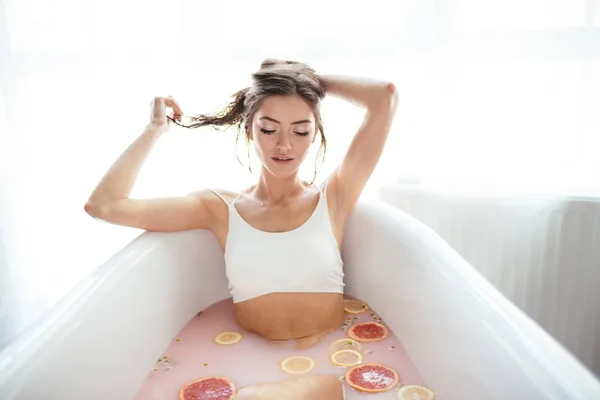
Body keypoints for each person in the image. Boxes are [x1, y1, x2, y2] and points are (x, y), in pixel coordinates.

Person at [84, 58, 398, 399]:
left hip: (332, 365)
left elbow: (384, 97)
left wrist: (301, 79)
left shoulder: (333, 199)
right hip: (248, 364)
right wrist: (155, 129)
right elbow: (105, 206)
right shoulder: (219, 209)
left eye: (300, 130)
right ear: (249, 129)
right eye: (269, 128)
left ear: (314, 136)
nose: (284, 145)